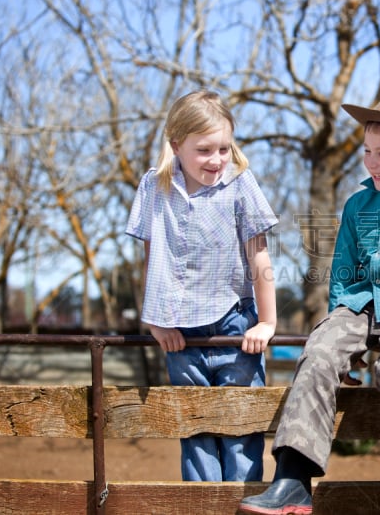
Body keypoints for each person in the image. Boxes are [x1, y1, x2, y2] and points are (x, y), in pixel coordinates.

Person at [239, 90, 380, 515]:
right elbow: (344, 276)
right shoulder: (357, 206)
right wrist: (340, 335)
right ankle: (293, 477)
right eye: (367, 151)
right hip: (360, 304)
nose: (371, 161)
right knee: (319, 351)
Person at [126, 90, 278, 482]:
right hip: (180, 331)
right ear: (176, 145)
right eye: (204, 150)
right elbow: (152, 257)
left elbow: (260, 256)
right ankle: (202, 506)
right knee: (195, 430)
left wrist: (266, 323)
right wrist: (156, 322)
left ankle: (243, 503)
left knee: (240, 428)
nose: (216, 160)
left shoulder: (239, 184)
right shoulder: (153, 186)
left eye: (224, 148)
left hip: (235, 325)